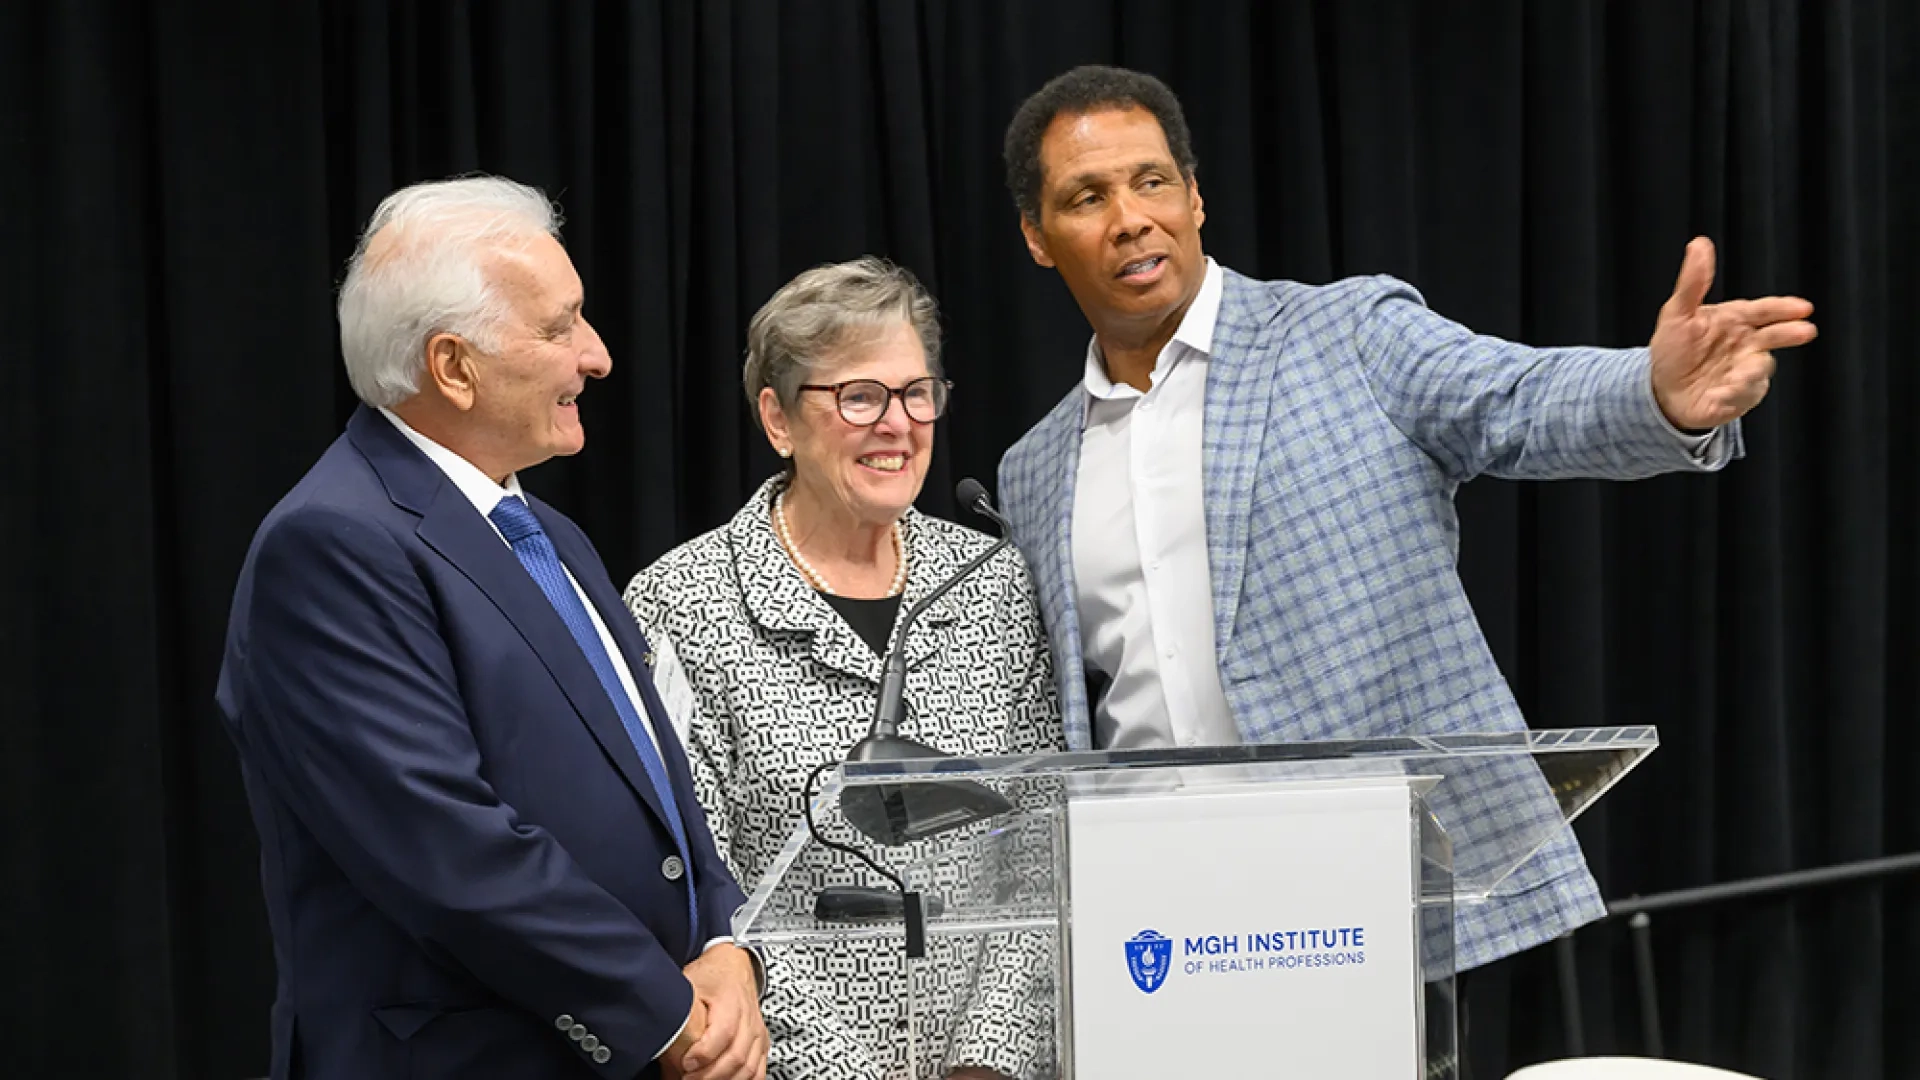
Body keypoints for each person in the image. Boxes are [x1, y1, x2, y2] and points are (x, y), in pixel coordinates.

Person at [994, 65, 1818, 973]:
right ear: (1039, 238)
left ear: (1195, 197)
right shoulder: (1033, 470)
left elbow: (1518, 400)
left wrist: (1654, 393)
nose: (1129, 218)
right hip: (1152, 918)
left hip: (1364, 895)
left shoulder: (1348, 333)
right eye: (1086, 197)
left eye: (1152, 181)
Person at [216, 176, 766, 1080]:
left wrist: (729, 949)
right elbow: (445, 845)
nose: (596, 356)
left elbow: (662, 796)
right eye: (560, 326)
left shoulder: (550, 535)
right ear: (453, 366)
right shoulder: (332, 544)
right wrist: (667, 1015)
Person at [624, 257, 1063, 1080]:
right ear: (779, 419)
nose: (897, 423)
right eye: (859, 396)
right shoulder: (682, 602)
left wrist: (989, 1060)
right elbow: (698, 881)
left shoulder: (995, 581)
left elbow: (1040, 850)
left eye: (916, 392)